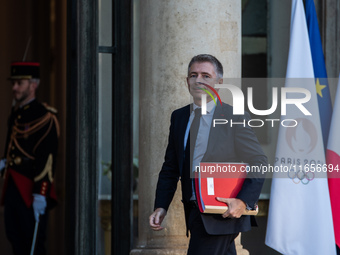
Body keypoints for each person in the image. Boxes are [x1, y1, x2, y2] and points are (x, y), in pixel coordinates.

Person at [149, 54, 267, 254]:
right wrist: (161, 206)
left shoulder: (234, 115)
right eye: (193, 75)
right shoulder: (179, 117)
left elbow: (259, 161)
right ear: (187, 81)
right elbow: (171, 167)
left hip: (223, 212)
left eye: (206, 75)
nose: (199, 80)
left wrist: (243, 201)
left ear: (219, 83)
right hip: (195, 212)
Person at [0, 62, 59, 255]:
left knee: (32, 243)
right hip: (13, 186)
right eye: (13, 83)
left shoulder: (45, 116)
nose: (14, 87)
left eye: (20, 83)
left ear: (33, 85)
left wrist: (41, 192)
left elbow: (47, 158)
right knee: (14, 237)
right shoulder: (16, 114)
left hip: (30, 189)